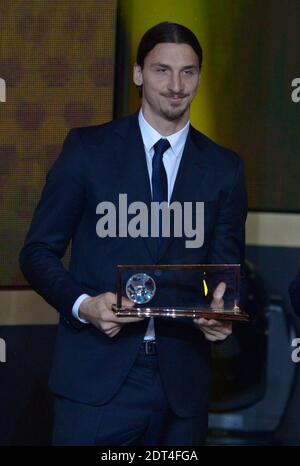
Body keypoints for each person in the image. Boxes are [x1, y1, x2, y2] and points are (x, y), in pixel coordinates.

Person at [19, 22, 247, 446]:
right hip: (96, 380)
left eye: (188, 72)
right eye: (162, 70)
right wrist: (84, 305)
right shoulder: (87, 150)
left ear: (199, 77)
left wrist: (223, 310)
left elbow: (227, 268)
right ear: (139, 74)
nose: (176, 85)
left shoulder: (224, 168)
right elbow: (36, 253)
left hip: (182, 386)